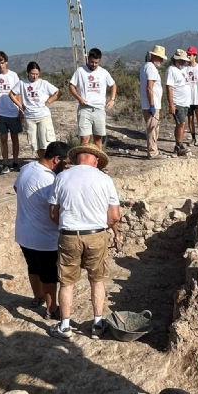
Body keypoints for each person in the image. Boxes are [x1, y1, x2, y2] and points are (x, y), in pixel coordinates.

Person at [47, 145, 120, 340]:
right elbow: (114, 216)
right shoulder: (105, 179)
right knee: (97, 280)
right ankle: (97, 324)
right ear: (95, 161)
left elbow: (53, 212)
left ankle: (65, 326)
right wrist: (98, 227)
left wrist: (66, 226)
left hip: (69, 234)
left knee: (67, 282)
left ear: (78, 158)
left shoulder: (62, 177)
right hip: (96, 234)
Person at [14, 141, 70, 320]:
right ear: (56, 159)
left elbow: (16, 187)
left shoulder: (28, 167)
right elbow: (56, 209)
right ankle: (52, 309)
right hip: (44, 238)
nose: (66, 167)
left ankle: (38, 297)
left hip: (23, 232)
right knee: (49, 275)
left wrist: (30, 204)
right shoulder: (49, 180)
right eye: (66, 163)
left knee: (33, 267)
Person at [69, 48, 116, 150]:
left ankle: (98, 163)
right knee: (84, 139)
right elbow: (71, 86)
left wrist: (112, 99)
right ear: (88, 59)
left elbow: (113, 85)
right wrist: (79, 98)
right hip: (84, 108)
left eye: (96, 62)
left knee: (98, 139)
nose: (94, 64)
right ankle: (83, 163)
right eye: (92, 62)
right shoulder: (80, 71)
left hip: (99, 109)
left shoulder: (104, 72)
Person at [10, 62, 60, 156]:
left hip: (43, 116)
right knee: (35, 143)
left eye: (37, 74)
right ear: (28, 72)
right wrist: (20, 105)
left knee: (46, 142)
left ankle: (47, 162)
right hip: (29, 117)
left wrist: (49, 101)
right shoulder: (22, 83)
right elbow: (11, 94)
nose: (35, 76)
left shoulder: (43, 83)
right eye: (33, 74)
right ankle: (41, 160)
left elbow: (58, 93)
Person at [0, 51, 23, 174]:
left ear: (6, 62)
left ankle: (16, 162)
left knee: (15, 137)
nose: (0, 65)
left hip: (13, 110)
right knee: (3, 138)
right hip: (0, 112)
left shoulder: (13, 75)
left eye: (2, 62)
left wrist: (20, 109)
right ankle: (5, 164)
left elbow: (18, 93)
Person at [139, 45, 167, 159]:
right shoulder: (151, 68)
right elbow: (149, 87)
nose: (161, 61)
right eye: (160, 58)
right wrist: (152, 105)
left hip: (149, 103)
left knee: (154, 127)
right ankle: (152, 152)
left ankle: (154, 150)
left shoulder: (145, 66)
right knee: (152, 128)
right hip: (152, 103)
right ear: (154, 56)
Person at [165, 49, 191, 156]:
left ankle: (178, 145)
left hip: (185, 102)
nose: (184, 63)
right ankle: (178, 145)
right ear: (176, 60)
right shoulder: (171, 70)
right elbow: (169, 88)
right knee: (181, 123)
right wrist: (171, 104)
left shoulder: (183, 70)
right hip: (177, 102)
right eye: (182, 60)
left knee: (182, 124)